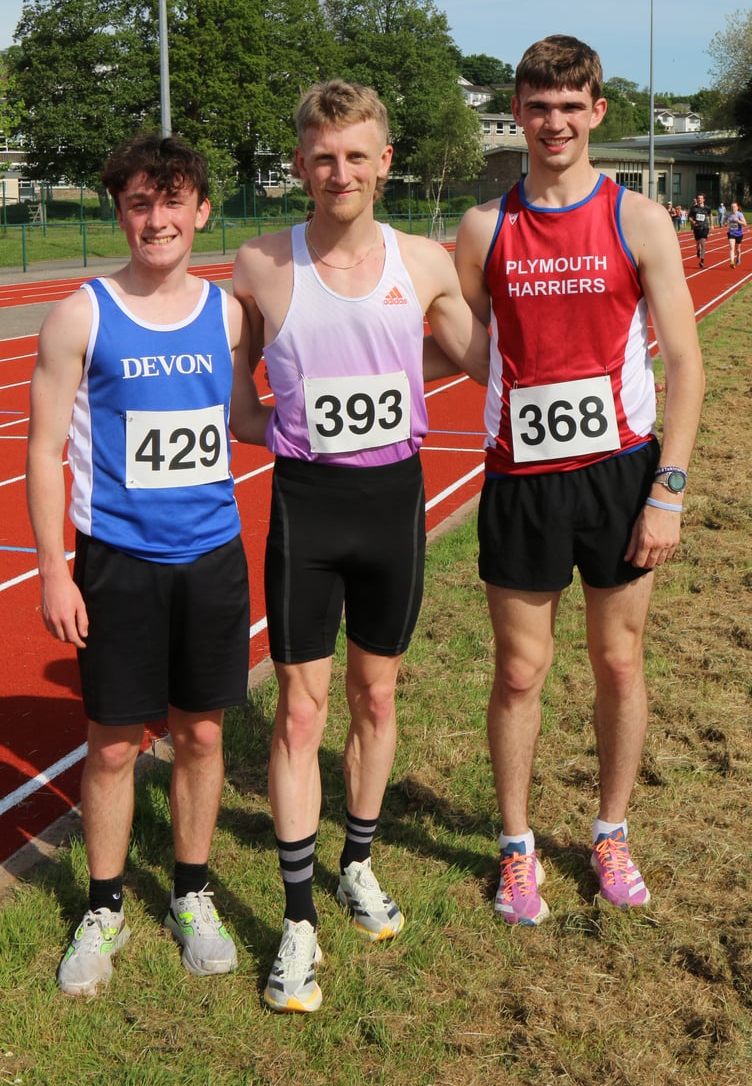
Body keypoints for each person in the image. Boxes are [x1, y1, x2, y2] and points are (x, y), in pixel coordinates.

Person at [233, 79, 488, 1012]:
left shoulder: (422, 262)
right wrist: (279, 422)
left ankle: (359, 862)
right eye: (322, 157)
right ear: (301, 165)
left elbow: (478, 357)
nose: (339, 172)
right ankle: (298, 918)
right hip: (308, 506)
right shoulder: (261, 263)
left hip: (393, 506)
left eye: (355, 156)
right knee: (300, 713)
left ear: (384, 162)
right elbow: (237, 397)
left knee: (376, 694)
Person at [455, 35, 704, 927]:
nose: (554, 121)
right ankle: (516, 846)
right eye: (538, 105)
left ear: (598, 111)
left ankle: (610, 831)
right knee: (521, 671)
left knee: (619, 660)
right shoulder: (483, 228)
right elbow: (465, 342)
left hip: (620, 475)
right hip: (521, 479)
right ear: (517, 113)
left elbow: (686, 363)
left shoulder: (638, 219)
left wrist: (668, 492)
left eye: (571, 105)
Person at [26, 134, 268, 996]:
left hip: (211, 558)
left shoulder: (229, 315)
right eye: (139, 203)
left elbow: (247, 418)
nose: (156, 219)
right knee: (114, 745)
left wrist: (342, 417)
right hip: (117, 563)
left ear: (201, 211)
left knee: (202, 735)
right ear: (119, 212)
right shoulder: (80, 316)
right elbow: (44, 449)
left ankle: (191, 893)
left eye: (172, 202)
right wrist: (54, 570)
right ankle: (103, 906)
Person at [688, 193, 712, 267]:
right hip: (697, 228)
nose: (699, 199)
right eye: (698, 198)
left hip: (705, 227)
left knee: (703, 243)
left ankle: (702, 260)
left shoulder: (707, 208)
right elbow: (690, 217)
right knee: (697, 243)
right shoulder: (693, 208)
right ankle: (698, 250)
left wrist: (712, 225)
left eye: (701, 198)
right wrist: (693, 221)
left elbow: (710, 215)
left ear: (703, 200)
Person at [726, 201, 746, 267]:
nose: (733, 208)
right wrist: (725, 222)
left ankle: (738, 257)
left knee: (737, 249)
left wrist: (738, 221)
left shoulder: (740, 214)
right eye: (732, 207)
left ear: (737, 207)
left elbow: (745, 224)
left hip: (739, 233)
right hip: (731, 233)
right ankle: (732, 261)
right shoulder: (729, 214)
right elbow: (725, 220)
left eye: (734, 207)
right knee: (732, 247)